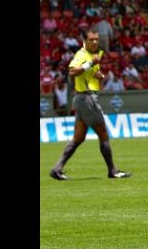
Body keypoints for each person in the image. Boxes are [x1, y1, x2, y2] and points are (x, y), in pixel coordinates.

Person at [49, 30, 131, 181]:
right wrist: (90, 64)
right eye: (91, 39)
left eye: (96, 39)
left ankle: (57, 169)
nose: (94, 42)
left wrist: (99, 75)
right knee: (104, 135)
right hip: (87, 99)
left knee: (78, 138)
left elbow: (91, 73)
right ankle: (112, 171)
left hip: (83, 99)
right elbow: (72, 72)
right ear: (84, 41)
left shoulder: (96, 55)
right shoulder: (82, 55)